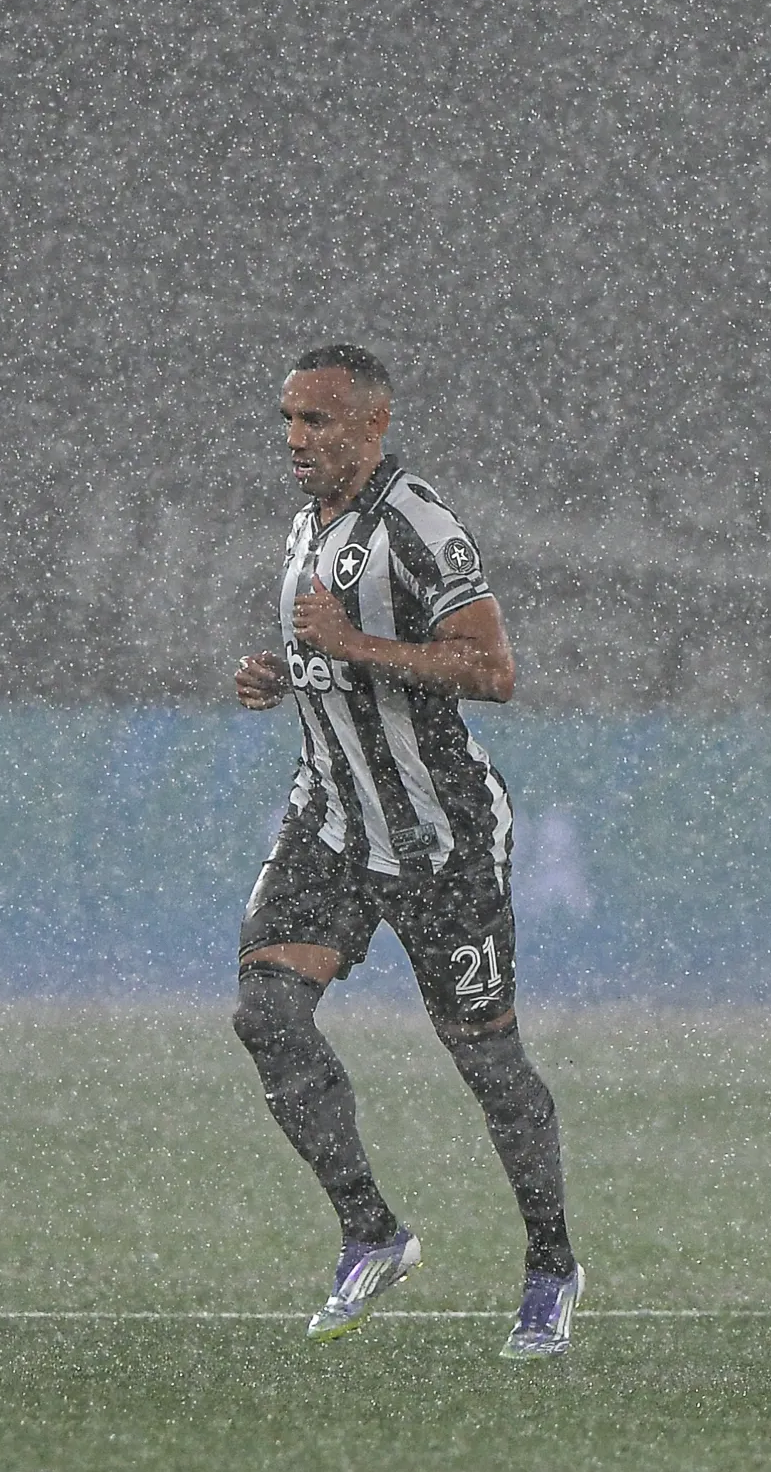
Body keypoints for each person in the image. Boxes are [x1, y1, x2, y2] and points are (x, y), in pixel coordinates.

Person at [230, 343, 582, 1359]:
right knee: (265, 1009)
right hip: (332, 823)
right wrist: (285, 675)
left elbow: (493, 669)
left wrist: (351, 648)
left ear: (373, 426)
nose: (298, 439)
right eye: (289, 419)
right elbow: (337, 660)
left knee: (488, 1060)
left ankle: (552, 1264)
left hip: (441, 841)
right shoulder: (305, 526)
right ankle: (370, 1228)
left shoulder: (420, 525)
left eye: (319, 421)